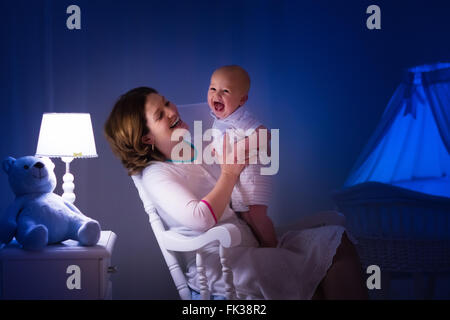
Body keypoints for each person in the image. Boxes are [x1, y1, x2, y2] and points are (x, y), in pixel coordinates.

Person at [104, 86, 368, 300]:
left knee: (336, 240)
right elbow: (200, 218)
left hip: (249, 247)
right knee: (323, 267)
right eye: (160, 115)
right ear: (146, 138)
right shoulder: (157, 174)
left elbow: (244, 186)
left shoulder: (195, 151)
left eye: (167, 102)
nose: (171, 111)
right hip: (223, 265)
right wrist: (229, 173)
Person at [207, 65, 278, 248]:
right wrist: (216, 150)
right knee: (245, 216)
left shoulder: (241, 118)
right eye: (213, 88)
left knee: (256, 215)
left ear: (242, 100)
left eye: (226, 91)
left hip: (253, 177)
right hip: (240, 179)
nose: (217, 95)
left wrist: (237, 148)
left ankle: (273, 246)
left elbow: (264, 135)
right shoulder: (220, 120)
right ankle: (262, 245)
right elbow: (222, 141)